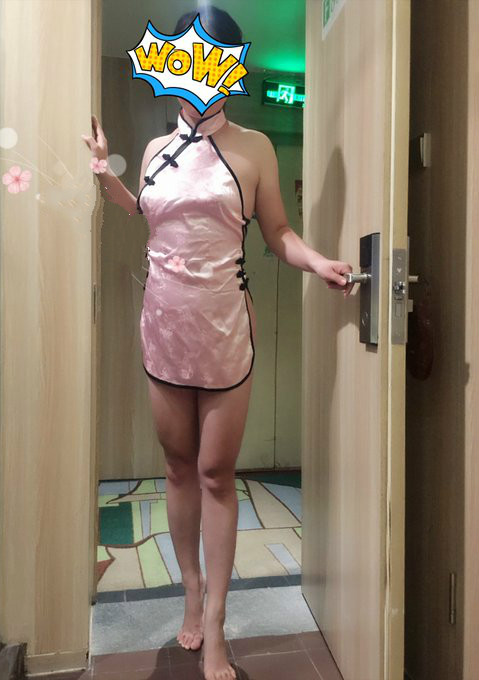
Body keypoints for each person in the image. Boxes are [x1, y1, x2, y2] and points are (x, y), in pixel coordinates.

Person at [82, 6, 354, 679]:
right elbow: (146, 212)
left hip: (226, 325)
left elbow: (277, 233)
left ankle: (217, 624)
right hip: (162, 326)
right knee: (177, 469)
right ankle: (191, 592)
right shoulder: (155, 149)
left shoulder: (254, 147)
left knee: (213, 473)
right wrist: (105, 175)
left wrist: (318, 261)